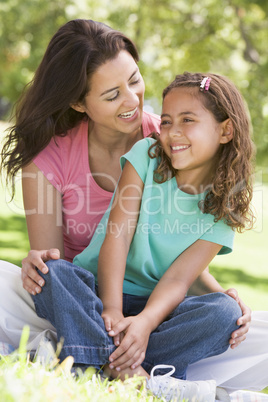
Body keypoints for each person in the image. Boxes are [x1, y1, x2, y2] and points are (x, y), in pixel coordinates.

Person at [0, 18, 266, 396]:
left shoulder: (170, 139)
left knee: (233, 317)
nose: (133, 100)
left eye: (135, 80)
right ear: (79, 102)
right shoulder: (128, 154)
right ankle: (138, 372)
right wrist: (45, 266)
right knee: (44, 275)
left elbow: (175, 264)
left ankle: (96, 360)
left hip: (152, 307)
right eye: (111, 95)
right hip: (87, 297)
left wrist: (216, 295)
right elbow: (81, 251)